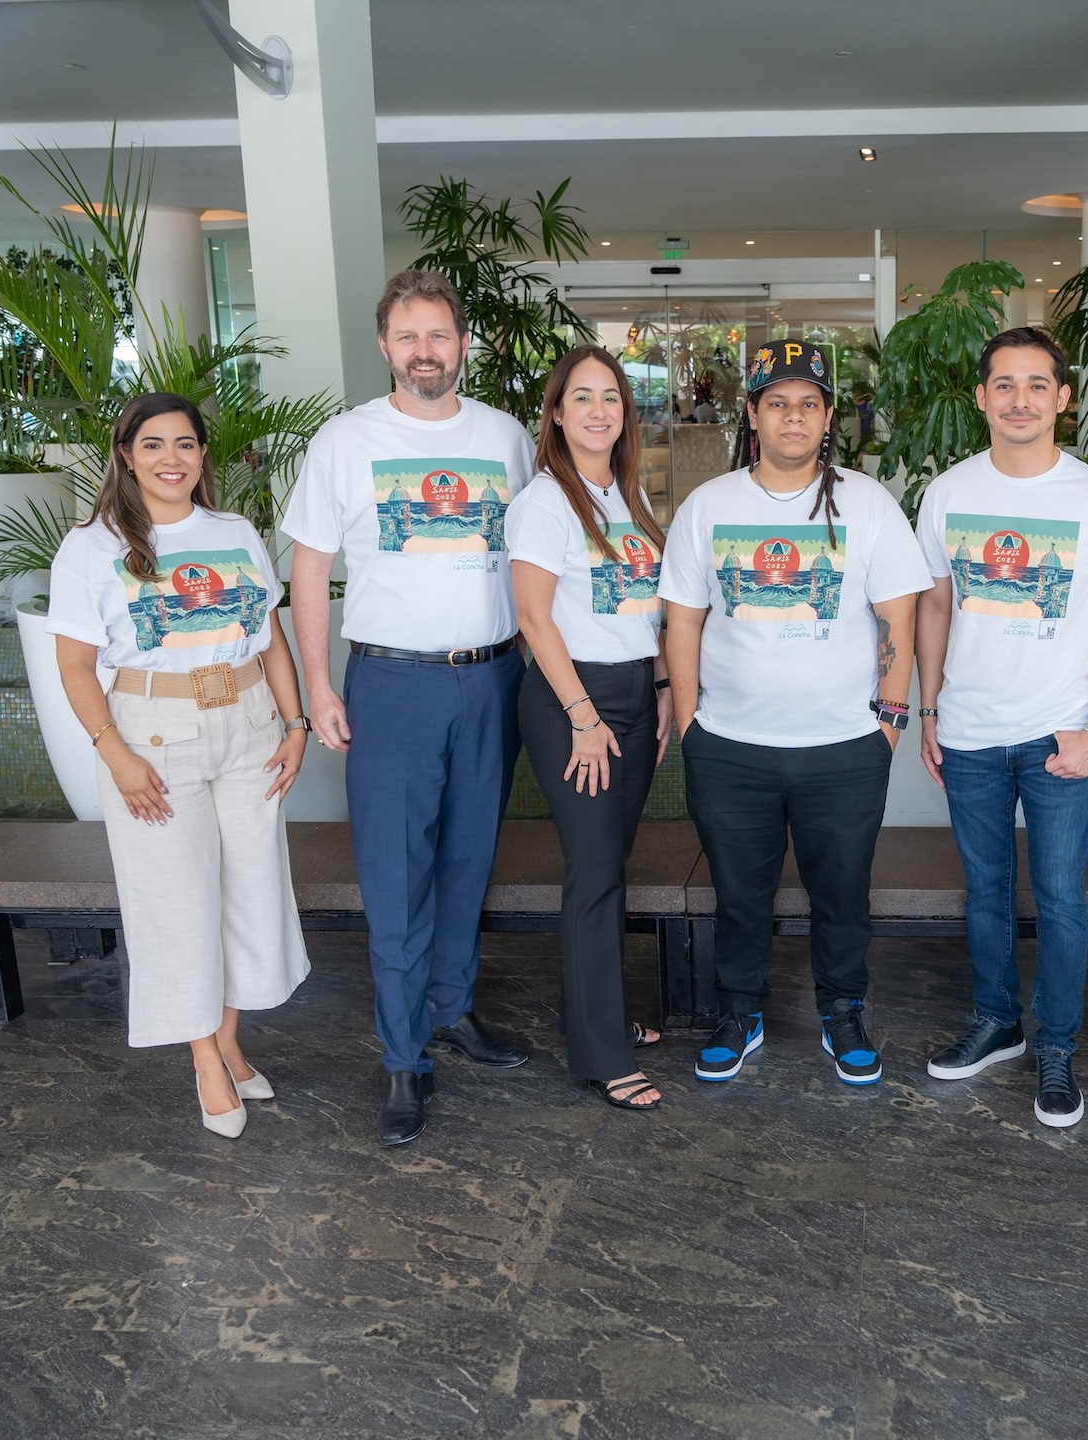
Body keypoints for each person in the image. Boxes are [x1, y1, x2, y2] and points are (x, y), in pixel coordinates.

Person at [282, 269, 536, 1147]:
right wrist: (319, 684)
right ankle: (402, 1057)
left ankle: (454, 1010)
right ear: (385, 346)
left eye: (439, 335)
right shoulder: (346, 441)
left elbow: (537, 559)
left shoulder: (506, 438)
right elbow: (309, 569)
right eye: (408, 337)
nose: (425, 352)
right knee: (395, 875)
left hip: (493, 676)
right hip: (392, 684)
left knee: (469, 861)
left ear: (463, 345)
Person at [660, 339, 931, 1086]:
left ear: (828, 416)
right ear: (752, 414)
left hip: (844, 747)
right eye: (776, 403)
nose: (792, 417)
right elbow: (682, 620)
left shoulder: (868, 504)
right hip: (730, 745)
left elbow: (899, 622)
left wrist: (888, 722)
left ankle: (843, 1011)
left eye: (808, 404)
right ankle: (739, 1010)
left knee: (842, 894)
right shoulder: (708, 506)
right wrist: (692, 726)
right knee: (738, 895)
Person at [48, 393, 311, 1138]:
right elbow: (73, 665)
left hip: (249, 724)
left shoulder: (233, 531)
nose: (173, 459)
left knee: (250, 887)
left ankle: (229, 1038)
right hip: (152, 732)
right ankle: (203, 1057)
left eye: (187, 444)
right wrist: (114, 753)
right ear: (125, 453)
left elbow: (270, 638)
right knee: (176, 895)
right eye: (154, 444)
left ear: (203, 456)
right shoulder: (93, 545)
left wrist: (293, 725)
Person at [916, 327, 1088, 1129]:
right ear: (982, 397)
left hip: (1060, 737)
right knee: (983, 891)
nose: (1020, 400)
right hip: (972, 732)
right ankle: (997, 1022)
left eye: (1036, 385)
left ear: (1062, 398)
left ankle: (1057, 1044)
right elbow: (937, 603)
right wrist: (931, 708)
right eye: (1004, 385)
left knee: (1059, 898)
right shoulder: (947, 490)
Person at [508, 346, 671, 1112]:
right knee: (595, 871)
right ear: (556, 414)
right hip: (577, 701)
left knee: (611, 861)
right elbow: (533, 617)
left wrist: (663, 685)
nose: (600, 410)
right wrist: (582, 716)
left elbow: (644, 609)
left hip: (635, 690)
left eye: (611, 396)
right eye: (583, 397)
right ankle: (600, 1054)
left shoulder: (625, 496)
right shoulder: (547, 501)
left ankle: (597, 1012)